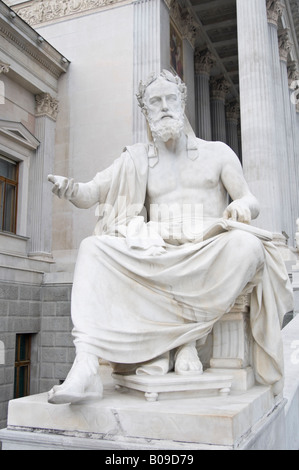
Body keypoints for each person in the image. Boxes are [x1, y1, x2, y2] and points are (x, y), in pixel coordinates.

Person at [47, 70, 293, 404]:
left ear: (182, 102)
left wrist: (242, 210)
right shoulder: (136, 159)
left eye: (170, 99)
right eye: (155, 102)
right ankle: (87, 362)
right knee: (92, 248)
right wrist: (70, 188)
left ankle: (185, 342)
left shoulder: (217, 153)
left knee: (248, 246)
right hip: (156, 247)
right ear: (146, 111)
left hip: (208, 243)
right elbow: (93, 191)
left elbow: (248, 198)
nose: (163, 107)